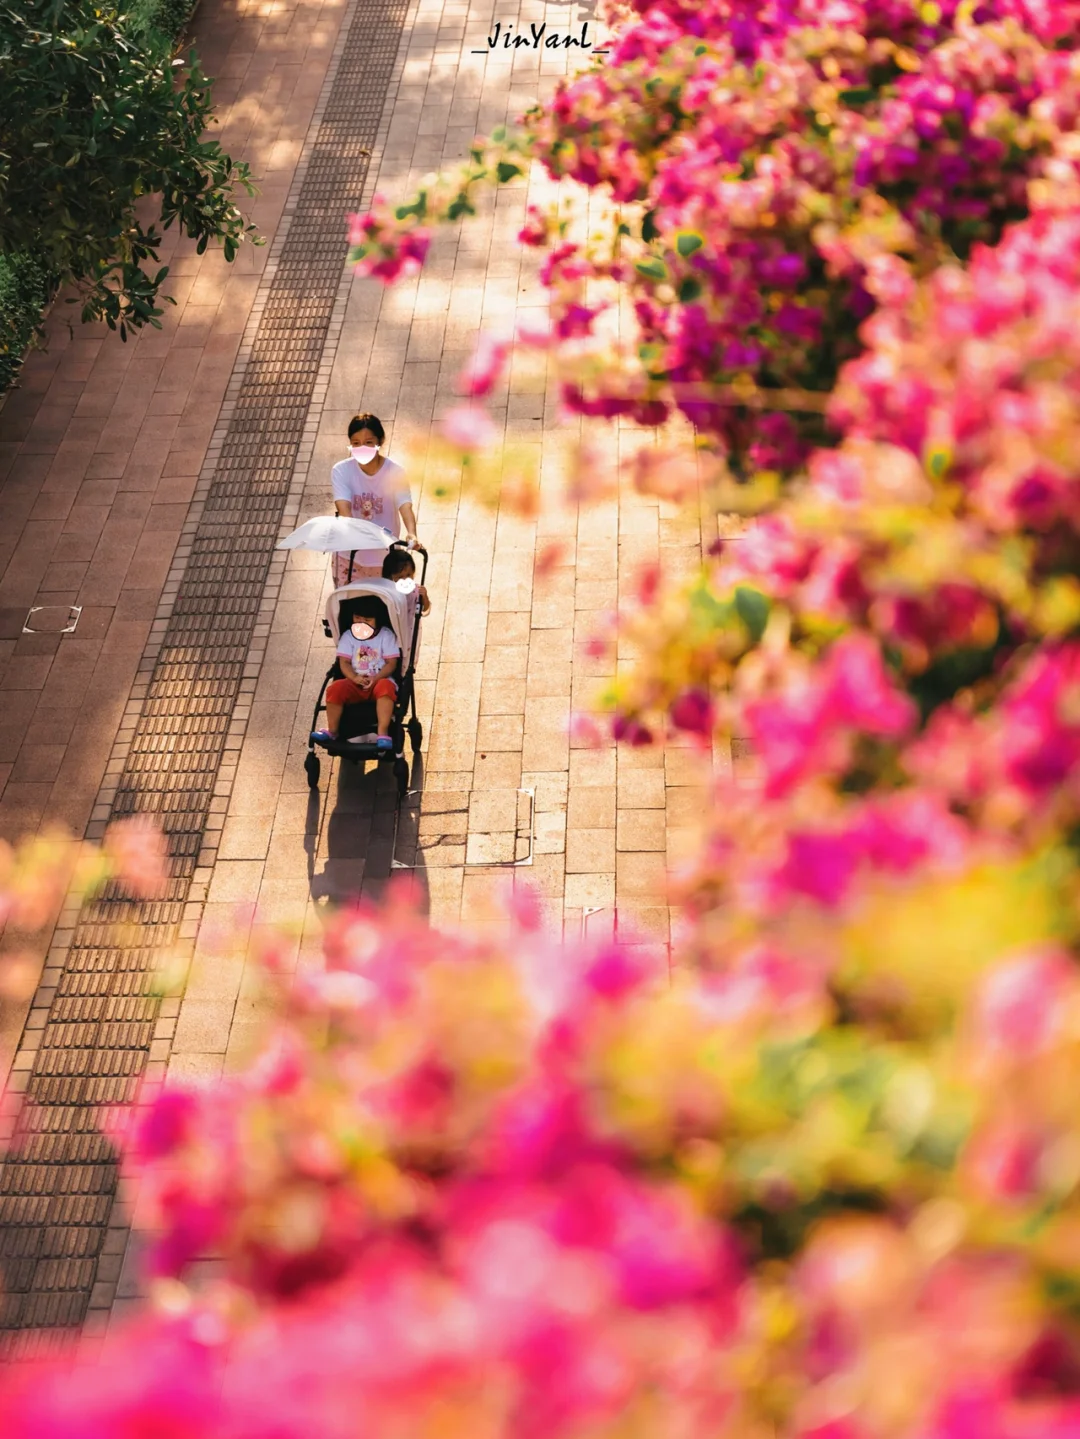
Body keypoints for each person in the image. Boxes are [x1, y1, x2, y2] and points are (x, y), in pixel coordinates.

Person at [331, 413, 423, 587]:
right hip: (349, 555)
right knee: (348, 608)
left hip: (386, 559)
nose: (362, 448)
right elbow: (344, 510)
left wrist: (412, 532)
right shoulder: (341, 471)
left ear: (380, 441)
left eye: (368, 442)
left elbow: (405, 506)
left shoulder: (395, 472)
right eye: (356, 443)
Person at [311, 598, 400, 749]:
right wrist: (354, 677)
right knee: (335, 688)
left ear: (377, 620)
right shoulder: (348, 636)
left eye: (367, 620)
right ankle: (332, 730)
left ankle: (382, 732)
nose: (362, 623)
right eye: (357, 618)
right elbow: (344, 662)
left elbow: (392, 663)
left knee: (386, 688)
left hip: (378, 679)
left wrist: (376, 677)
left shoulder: (386, 636)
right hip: (355, 680)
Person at [381, 547, 431, 615]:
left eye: (408, 575)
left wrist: (424, 597)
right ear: (389, 577)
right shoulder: (388, 593)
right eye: (400, 577)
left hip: (412, 624)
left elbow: (425, 608)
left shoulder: (416, 590)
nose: (405, 580)